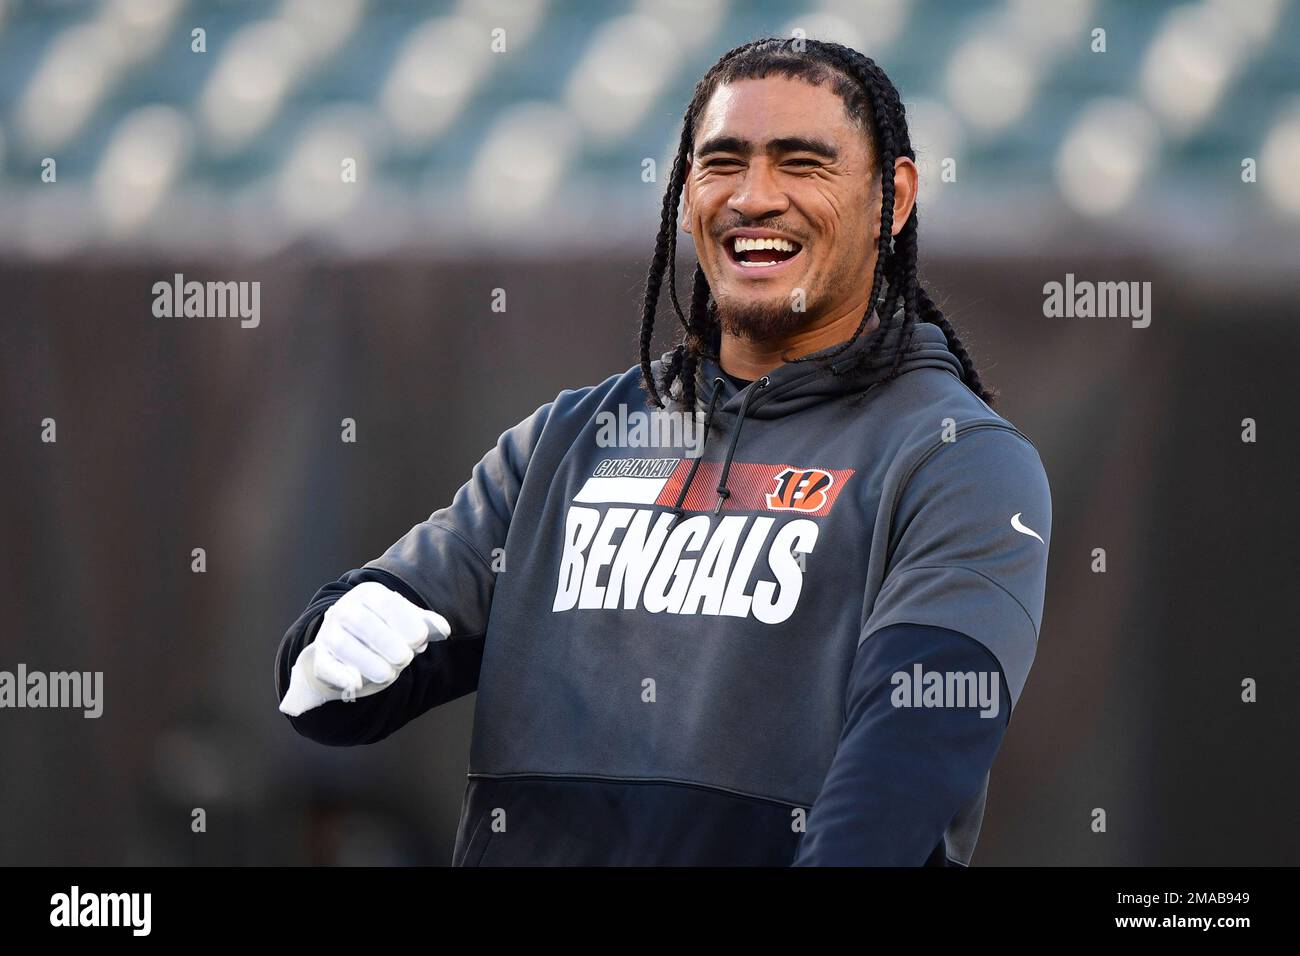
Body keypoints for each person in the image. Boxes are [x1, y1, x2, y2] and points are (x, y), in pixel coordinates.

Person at [275, 37, 1051, 866]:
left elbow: (906, 769)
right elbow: (337, 708)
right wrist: (331, 642)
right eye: (723, 162)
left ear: (890, 200)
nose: (756, 198)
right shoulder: (568, 442)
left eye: (802, 163)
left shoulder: (957, 461)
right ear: (686, 195)